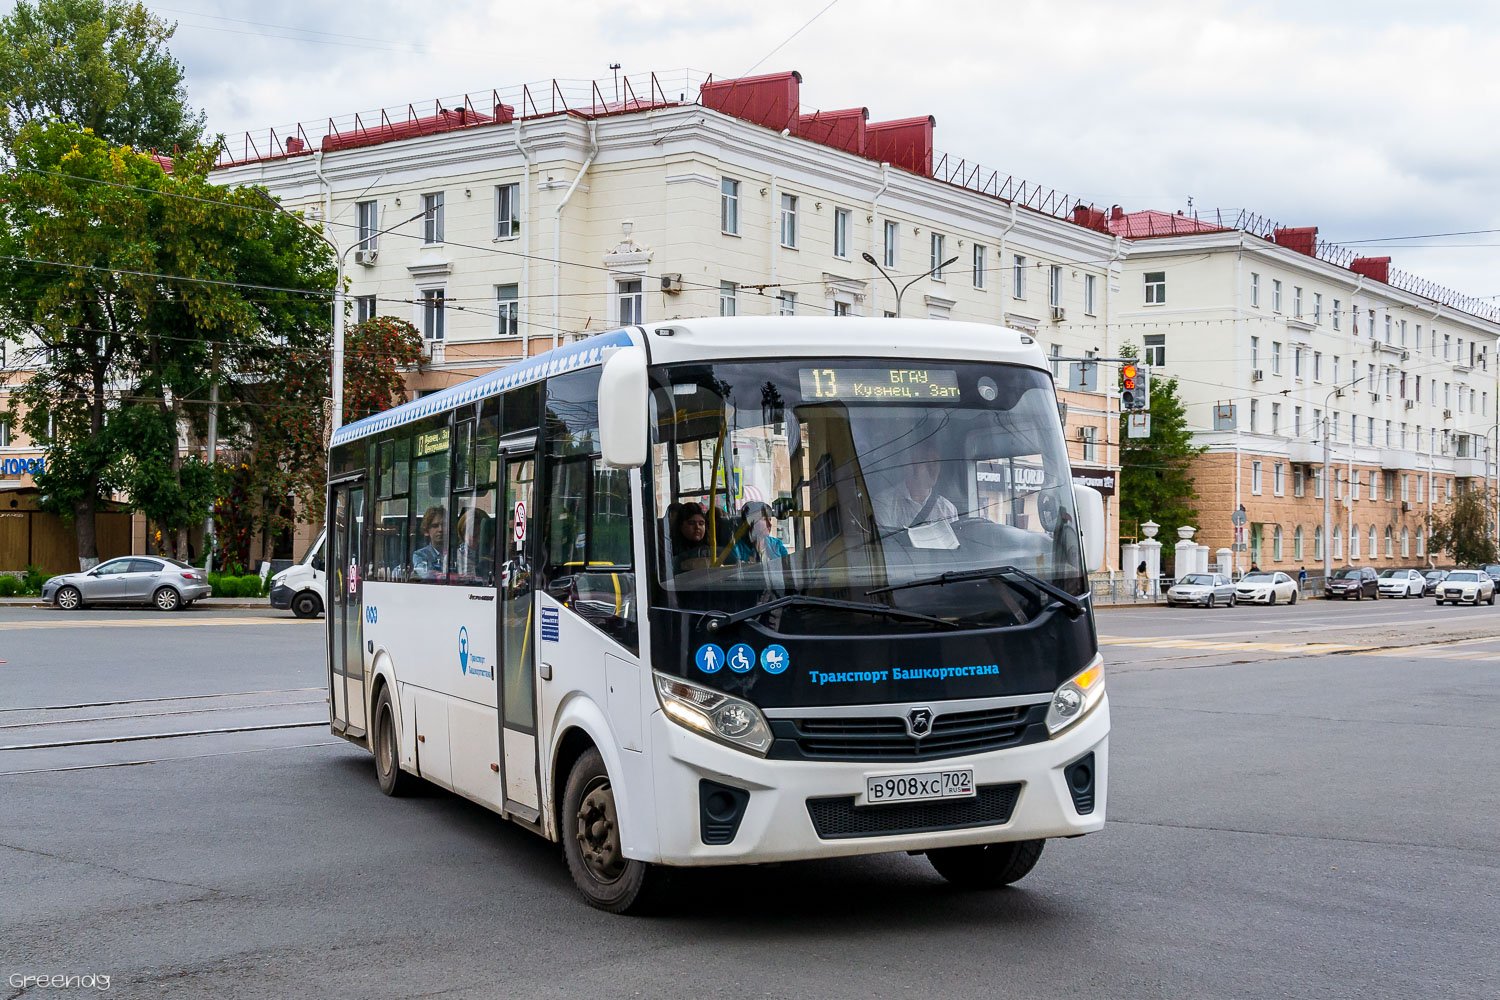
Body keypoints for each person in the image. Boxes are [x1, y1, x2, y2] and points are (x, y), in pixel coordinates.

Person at [876, 439, 957, 527]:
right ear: (908, 465)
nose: (931, 467)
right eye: (925, 460)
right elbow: (888, 540)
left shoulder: (948, 509)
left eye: (935, 461)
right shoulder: (884, 503)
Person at [453, 506, 494, 583]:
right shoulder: (453, 558)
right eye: (469, 530)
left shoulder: (494, 554)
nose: (473, 534)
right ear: (462, 533)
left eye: (480, 533)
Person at [673, 503, 713, 572]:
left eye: (701, 523)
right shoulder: (672, 550)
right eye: (691, 523)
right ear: (681, 526)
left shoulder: (711, 550)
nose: (697, 527)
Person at [412, 506, 447, 579]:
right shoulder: (420, 555)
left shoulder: (457, 553)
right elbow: (427, 576)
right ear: (426, 531)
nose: (440, 529)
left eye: (444, 525)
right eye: (435, 526)